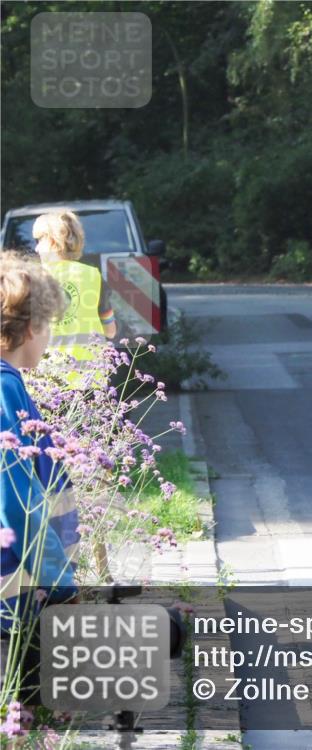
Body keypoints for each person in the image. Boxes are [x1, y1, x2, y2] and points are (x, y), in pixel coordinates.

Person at [1, 252, 79, 703]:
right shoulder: (5, 387)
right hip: (15, 596)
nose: (49, 338)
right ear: (29, 328)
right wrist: (63, 585)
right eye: (48, 327)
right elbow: (17, 499)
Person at [32, 210, 116, 365]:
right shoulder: (93, 276)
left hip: (46, 378)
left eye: (39, 241)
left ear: (52, 241)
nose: (36, 249)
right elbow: (110, 331)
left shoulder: (34, 279)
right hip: (90, 378)